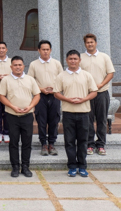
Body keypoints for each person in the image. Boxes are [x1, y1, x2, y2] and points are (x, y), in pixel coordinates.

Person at [55, 49, 98, 178]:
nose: (73, 61)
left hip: (84, 113)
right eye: (70, 59)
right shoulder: (61, 76)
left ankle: (82, 166)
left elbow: (94, 92)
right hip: (68, 112)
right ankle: (72, 166)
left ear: (79, 60)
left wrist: (84, 99)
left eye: (75, 59)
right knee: (69, 141)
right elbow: (56, 93)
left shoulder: (86, 75)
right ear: (66, 60)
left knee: (83, 140)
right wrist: (67, 99)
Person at [0, 56, 40, 178]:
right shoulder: (6, 80)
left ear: (23, 66)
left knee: (27, 142)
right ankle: (15, 167)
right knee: (13, 142)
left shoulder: (30, 79)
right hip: (12, 115)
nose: (17, 67)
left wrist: (30, 106)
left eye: (20, 65)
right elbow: (2, 96)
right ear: (11, 67)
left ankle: (25, 166)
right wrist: (13, 107)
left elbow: (37, 95)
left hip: (27, 115)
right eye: (15, 65)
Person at [27, 40, 63, 157]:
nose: (45, 52)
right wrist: (41, 89)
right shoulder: (33, 64)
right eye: (43, 49)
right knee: (41, 120)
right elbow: (30, 81)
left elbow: (62, 79)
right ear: (39, 50)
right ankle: (43, 143)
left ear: (50, 50)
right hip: (40, 96)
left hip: (55, 95)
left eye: (47, 49)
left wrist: (55, 89)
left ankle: (52, 143)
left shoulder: (57, 63)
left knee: (54, 120)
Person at [82, 34, 115, 156]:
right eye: (87, 42)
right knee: (88, 119)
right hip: (87, 94)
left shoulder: (104, 57)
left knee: (101, 119)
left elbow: (110, 73)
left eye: (92, 42)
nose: (90, 44)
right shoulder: (81, 58)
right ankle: (90, 144)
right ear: (85, 44)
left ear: (95, 43)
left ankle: (100, 145)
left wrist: (100, 84)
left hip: (101, 93)